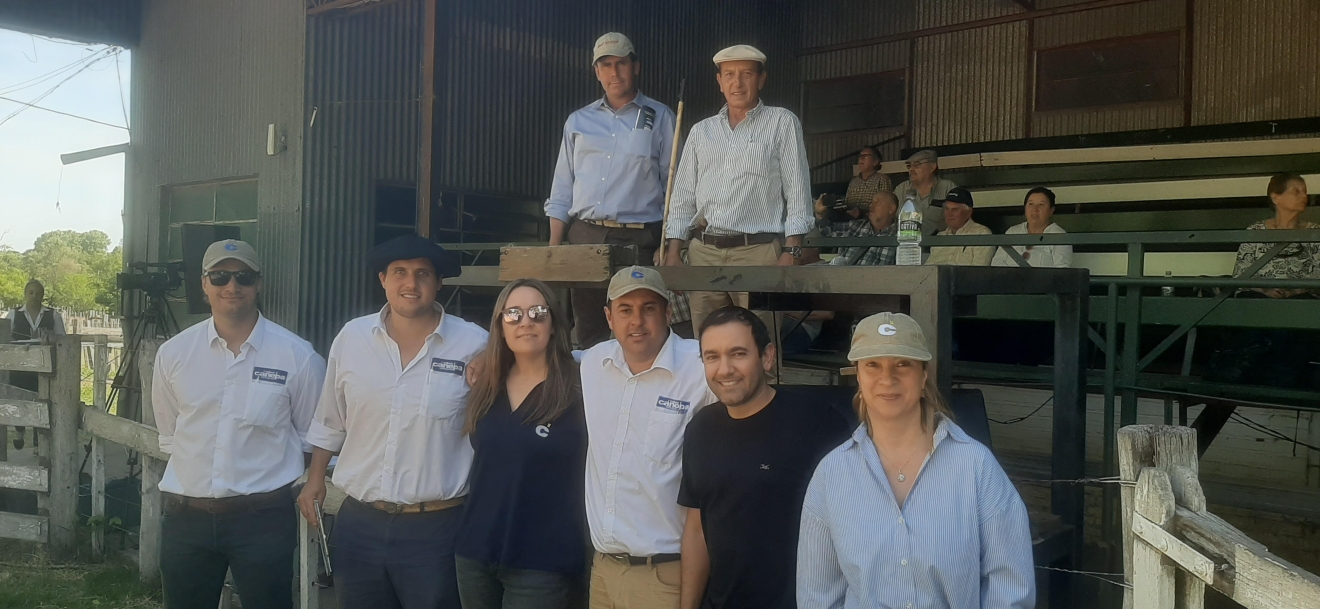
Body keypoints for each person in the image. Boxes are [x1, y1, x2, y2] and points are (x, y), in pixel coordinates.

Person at [298, 235, 488, 609]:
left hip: (437, 529)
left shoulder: (475, 344)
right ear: (383, 279)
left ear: (438, 282)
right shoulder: (352, 338)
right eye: (399, 272)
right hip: (359, 525)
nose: (410, 283)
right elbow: (331, 417)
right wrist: (315, 477)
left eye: (423, 274)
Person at [797, 312, 1035, 609]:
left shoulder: (975, 466)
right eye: (873, 365)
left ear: (923, 375)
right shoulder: (832, 474)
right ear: (857, 375)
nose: (887, 378)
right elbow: (817, 596)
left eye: (903, 364)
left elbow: (1010, 588)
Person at [153, 240, 327, 609]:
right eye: (220, 276)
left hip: (263, 521)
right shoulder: (174, 354)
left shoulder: (298, 357)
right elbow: (171, 433)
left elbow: (311, 439)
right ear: (204, 283)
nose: (232, 286)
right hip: (186, 520)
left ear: (258, 283)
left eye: (243, 277)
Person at [679, 307, 851, 609]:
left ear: (768, 357)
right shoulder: (700, 428)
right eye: (712, 357)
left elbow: (851, 525)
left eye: (738, 354)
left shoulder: (816, 422)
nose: (725, 369)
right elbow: (696, 529)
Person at [580, 266, 716, 609]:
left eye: (649, 308)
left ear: (668, 313)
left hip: (664, 575)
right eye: (625, 310)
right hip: (603, 571)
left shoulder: (700, 366)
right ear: (609, 317)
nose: (637, 321)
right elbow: (535, 356)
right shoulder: (593, 362)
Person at [662, 44, 813, 338]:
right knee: (707, 343)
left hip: (758, 253)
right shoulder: (701, 131)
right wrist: (673, 252)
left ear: (761, 79)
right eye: (729, 74)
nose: (737, 82)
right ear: (719, 82)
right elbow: (682, 198)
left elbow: (798, 190)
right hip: (704, 253)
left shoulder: (781, 122)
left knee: (761, 342)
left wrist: (792, 250)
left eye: (747, 74)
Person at [455, 279, 588, 609]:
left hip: (542, 562)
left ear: (554, 324)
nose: (526, 321)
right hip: (475, 552)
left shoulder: (581, 386)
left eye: (538, 312)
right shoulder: (486, 385)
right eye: (513, 314)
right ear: (500, 326)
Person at [545, 32, 676, 348]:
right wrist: (554, 246)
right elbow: (563, 187)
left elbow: (675, 189)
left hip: (639, 240)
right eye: (606, 65)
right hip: (585, 236)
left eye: (621, 63)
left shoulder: (661, 117)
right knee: (589, 333)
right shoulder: (578, 121)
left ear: (636, 67)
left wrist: (669, 244)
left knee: (637, 329)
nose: (614, 73)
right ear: (596, 71)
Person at [1233, 173, 1320, 298]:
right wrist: (1266, 290)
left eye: (1305, 192)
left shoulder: (1315, 231)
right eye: (1296, 192)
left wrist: (1293, 291)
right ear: (1275, 198)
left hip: (1301, 299)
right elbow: (1241, 274)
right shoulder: (1256, 230)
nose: (1304, 196)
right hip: (1261, 298)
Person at [7, 279, 65, 450]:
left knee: (42, 399)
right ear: (25, 294)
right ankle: (19, 432)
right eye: (31, 292)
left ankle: (37, 439)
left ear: (43, 295)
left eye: (38, 293)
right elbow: (5, 337)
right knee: (20, 397)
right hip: (20, 365)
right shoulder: (14, 314)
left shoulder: (53, 315)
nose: (34, 296)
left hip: (44, 366)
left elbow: (62, 339)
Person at [992, 186, 1072, 268]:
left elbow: (1062, 268)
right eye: (1031, 204)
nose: (1035, 209)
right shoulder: (1012, 231)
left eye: (1041, 205)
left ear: (1051, 210)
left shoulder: (1059, 236)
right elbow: (997, 262)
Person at [813, 191, 899, 267]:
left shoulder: (899, 236)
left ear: (891, 209)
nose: (871, 205)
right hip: (841, 276)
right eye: (871, 202)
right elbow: (827, 230)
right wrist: (819, 213)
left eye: (877, 203)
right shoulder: (856, 226)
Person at [891, 150, 957, 234]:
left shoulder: (947, 187)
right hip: (907, 238)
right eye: (909, 166)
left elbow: (958, 219)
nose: (911, 169)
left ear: (932, 167)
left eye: (917, 165)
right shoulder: (901, 189)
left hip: (939, 240)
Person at [924, 187, 994, 266]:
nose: (949, 214)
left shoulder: (981, 234)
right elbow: (927, 269)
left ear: (969, 212)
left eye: (955, 210)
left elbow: (980, 270)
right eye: (946, 209)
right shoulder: (940, 237)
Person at [818, 145, 891, 218]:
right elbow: (847, 203)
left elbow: (885, 207)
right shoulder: (853, 182)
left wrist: (862, 212)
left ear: (875, 162)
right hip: (850, 219)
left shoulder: (882, 179)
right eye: (860, 156)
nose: (861, 158)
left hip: (870, 221)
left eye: (866, 156)